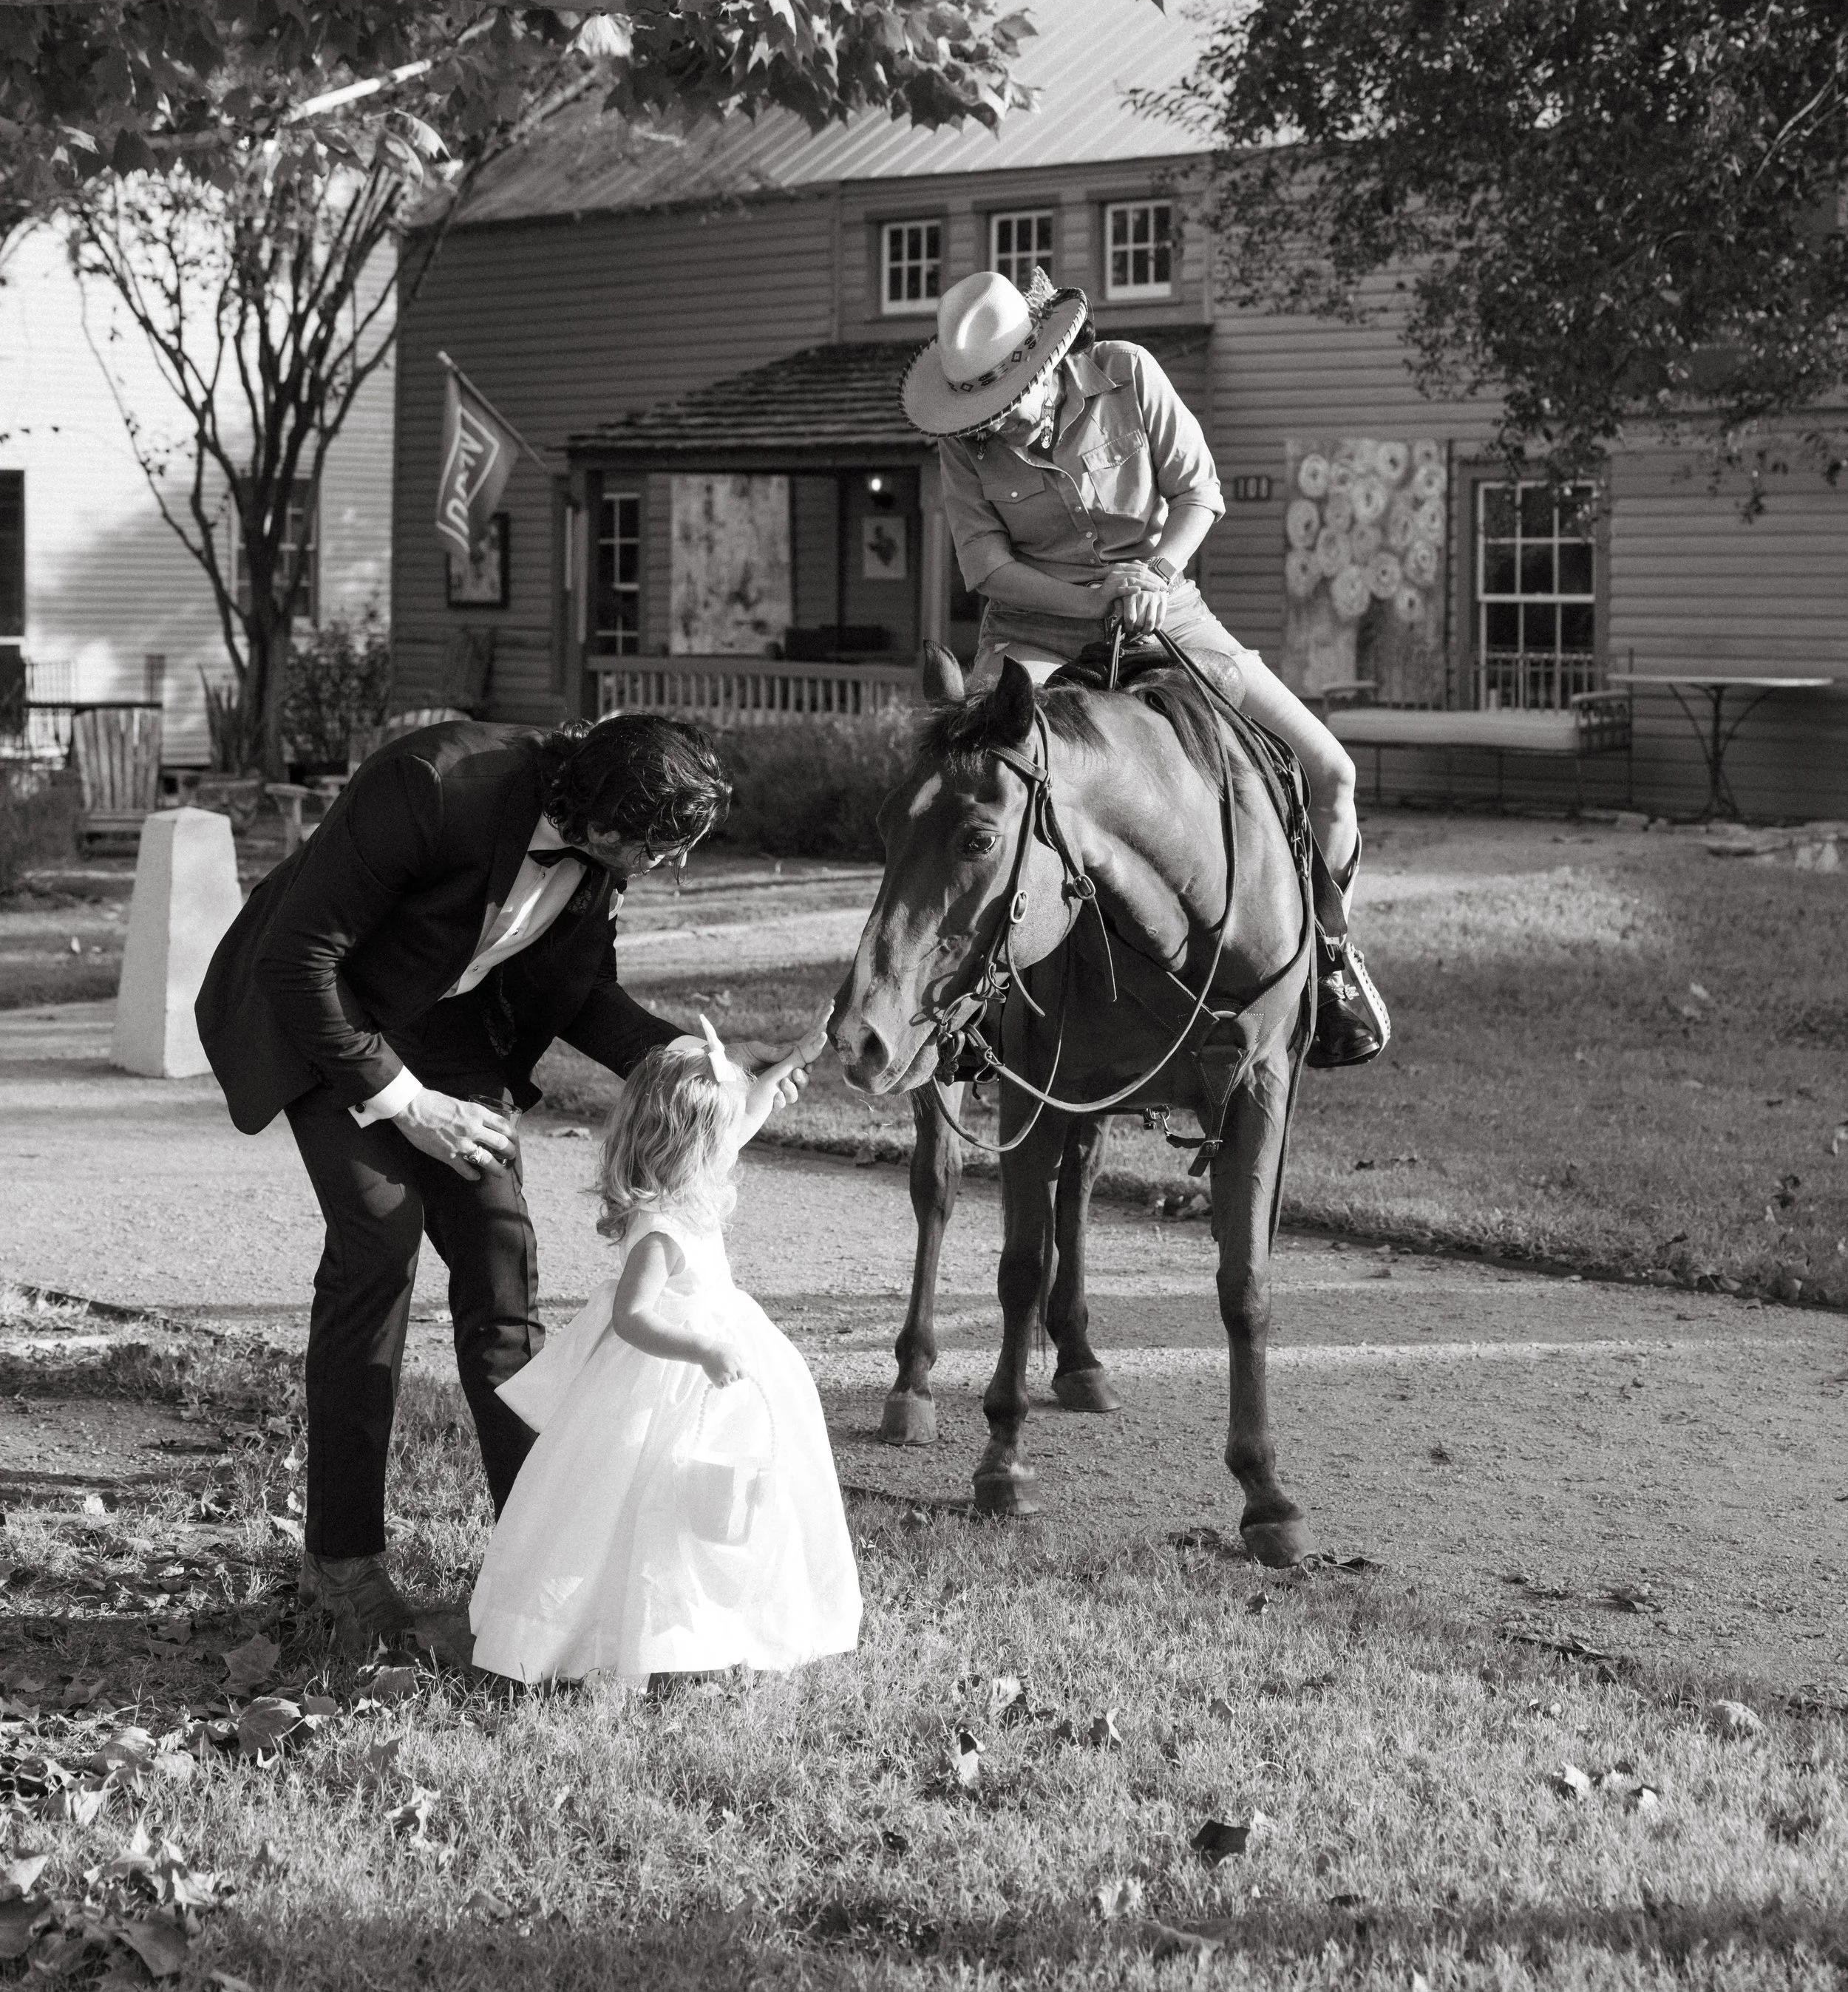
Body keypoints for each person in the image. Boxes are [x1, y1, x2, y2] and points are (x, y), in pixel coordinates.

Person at [195, 710, 812, 1643]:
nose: (662, 866)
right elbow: (299, 956)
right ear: (604, 819)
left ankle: (538, 1554)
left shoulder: (597, 862)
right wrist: (410, 1105)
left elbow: (582, 997)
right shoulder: (433, 785)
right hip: (326, 1017)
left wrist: (702, 1060)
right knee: (378, 1243)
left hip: (447, 1030)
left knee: (500, 1258)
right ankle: (341, 1563)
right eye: (657, 847)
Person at [901, 268, 1389, 1068]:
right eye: (978, 416)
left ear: (1043, 364)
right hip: (1036, 628)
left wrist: (1156, 575)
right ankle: (973, 1008)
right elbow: (985, 565)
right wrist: (1094, 598)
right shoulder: (964, 444)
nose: (994, 429)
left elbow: (1199, 493)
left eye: (1005, 405)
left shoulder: (1129, 373)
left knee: (1330, 773)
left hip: (1167, 607)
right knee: (983, 781)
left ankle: (1326, 964)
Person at [469, 1023, 862, 1687]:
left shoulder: (693, 1177)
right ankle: (642, 1633)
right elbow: (632, 1318)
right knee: (651, 1501)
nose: (731, 1151)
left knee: (731, 1496)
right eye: (719, 1142)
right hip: (665, 1383)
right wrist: (702, 1348)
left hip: (723, 1372)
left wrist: (799, 1055)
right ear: (682, 1147)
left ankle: (724, 1620)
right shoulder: (661, 1228)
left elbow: (754, 1107)